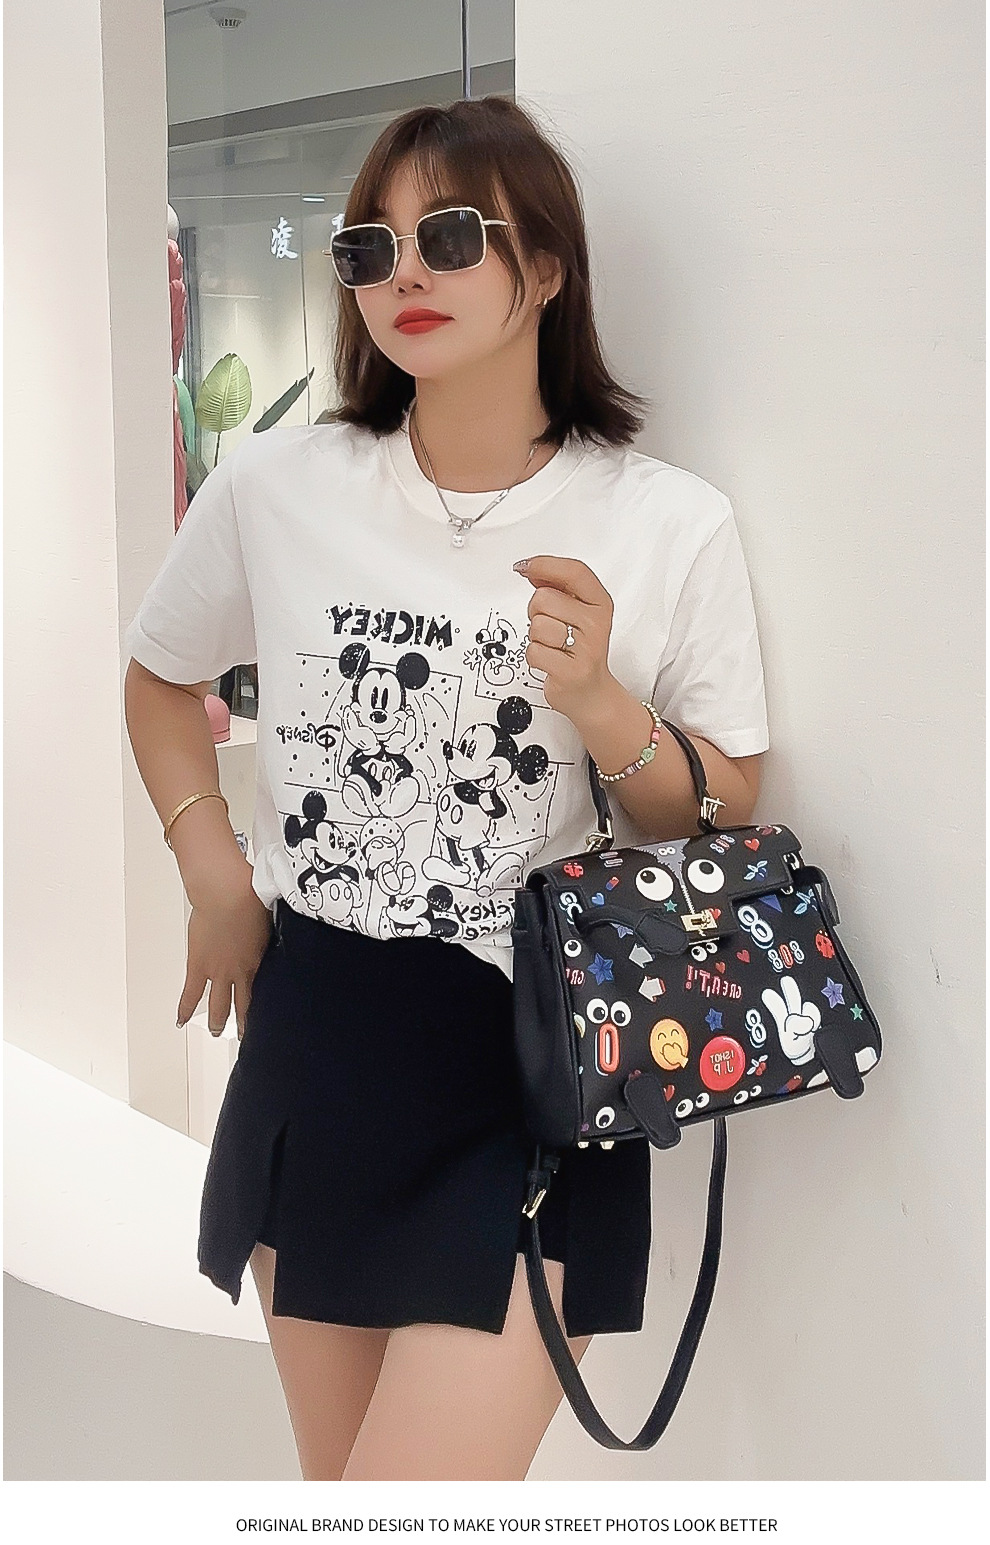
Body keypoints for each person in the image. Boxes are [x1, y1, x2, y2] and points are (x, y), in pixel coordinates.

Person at [123, 95, 768, 1482]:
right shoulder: (280, 484)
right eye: (371, 248)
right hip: (321, 1041)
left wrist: (602, 704)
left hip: (529, 1063)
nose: (404, 272)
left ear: (548, 268)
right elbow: (159, 678)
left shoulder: (663, 520)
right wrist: (213, 874)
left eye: (453, 236)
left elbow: (719, 804)